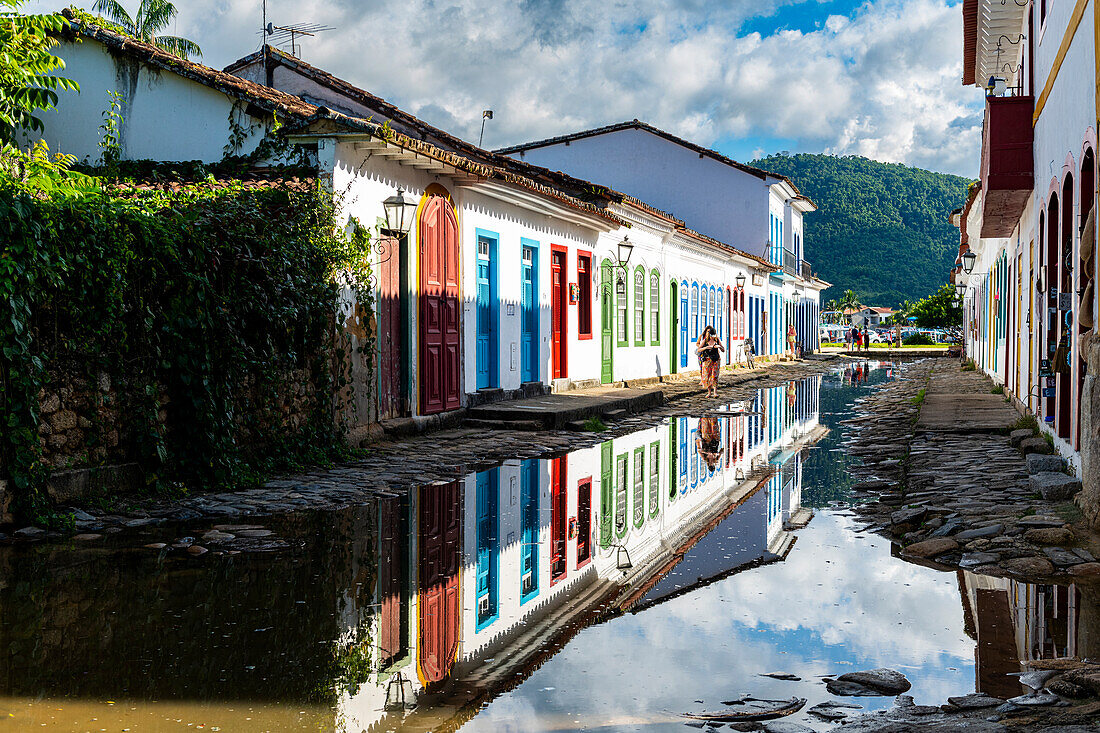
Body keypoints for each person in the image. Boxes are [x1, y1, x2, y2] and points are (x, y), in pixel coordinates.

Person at [696, 324, 725, 397]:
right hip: (707, 360)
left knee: (714, 375)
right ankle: (709, 392)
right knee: (707, 375)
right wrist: (706, 348)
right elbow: (699, 349)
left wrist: (719, 347)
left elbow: (723, 349)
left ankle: (715, 392)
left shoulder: (717, 340)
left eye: (714, 335)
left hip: (716, 359)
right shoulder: (705, 341)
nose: (713, 336)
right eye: (712, 335)